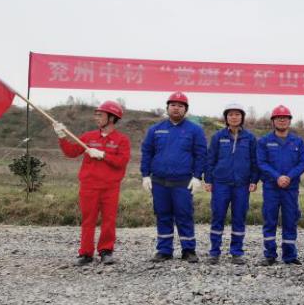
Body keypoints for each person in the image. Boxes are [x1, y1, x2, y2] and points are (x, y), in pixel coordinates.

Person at [53, 101, 131, 266]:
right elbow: (71, 152)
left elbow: (122, 162)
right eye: (96, 114)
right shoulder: (88, 137)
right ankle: (85, 253)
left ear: (112, 118)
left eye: (100, 115)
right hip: (89, 186)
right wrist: (62, 137)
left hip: (110, 187)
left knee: (109, 220)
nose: (96, 118)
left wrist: (103, 155)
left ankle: (106, 251)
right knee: (88, 220)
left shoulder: (121, 140)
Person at [140, 91, 207, 263]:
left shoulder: (195, 130)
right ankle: (164, 250)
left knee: (184, 215)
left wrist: (197, 177)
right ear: (167, 108)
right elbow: (147, 152)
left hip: (183, 182)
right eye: (173, 105)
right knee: (163, 215)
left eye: (180, 106)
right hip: (159, 182)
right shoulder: (155, 129)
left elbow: (201, 155)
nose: (176, 108)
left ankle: (188, 250)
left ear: (186, 110)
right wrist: (145, 175)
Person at [204, 103, 259, 265]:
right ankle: (214, 252)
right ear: (226, 118)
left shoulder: (250, 138)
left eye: (237, 114)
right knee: (218, 217)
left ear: (242, 117)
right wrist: (208, 180)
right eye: (230, 114)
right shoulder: (218, 137)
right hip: (220, 183)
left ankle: (237, 253)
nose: (234, 117)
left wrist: (254, 180)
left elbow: (255, 161)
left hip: (242, 184)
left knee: (239, 218)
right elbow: (210, 159)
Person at [256, 105, 304, 265]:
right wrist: (277, 177)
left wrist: (289, 177)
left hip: (290, 188)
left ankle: (290, 256)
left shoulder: (298, 142)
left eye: (285, 118)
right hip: (271, 187)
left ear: (289, 121)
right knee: (269, 220)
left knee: (290, 220)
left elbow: (302, 163)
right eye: (278, 118)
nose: (282, 120)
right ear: (273, 121)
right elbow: (261, 163)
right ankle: (270, 255)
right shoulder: (264, 141)